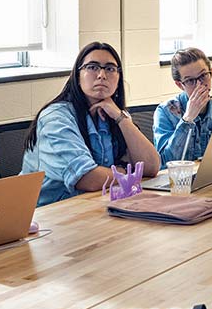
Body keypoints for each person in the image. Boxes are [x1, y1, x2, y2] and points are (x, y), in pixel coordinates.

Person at [22, 42, 160, 206]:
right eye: (92, 67)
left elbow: (151, 166)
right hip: (48, 215)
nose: (101, 75)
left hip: (92, 206)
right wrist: (125, 172)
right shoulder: (56, 119)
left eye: (110, 69)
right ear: (77, 75)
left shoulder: (113, 113)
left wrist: (120, 118)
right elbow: (87, 178)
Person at [153, 48, 212, 165]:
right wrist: (187, 119)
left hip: (211, 180)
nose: (199, 84)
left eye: (203, 75)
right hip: (177, 181)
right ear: (180, 85)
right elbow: (165, 163)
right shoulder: (165, 112)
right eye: (190, 80)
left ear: (211, 73)